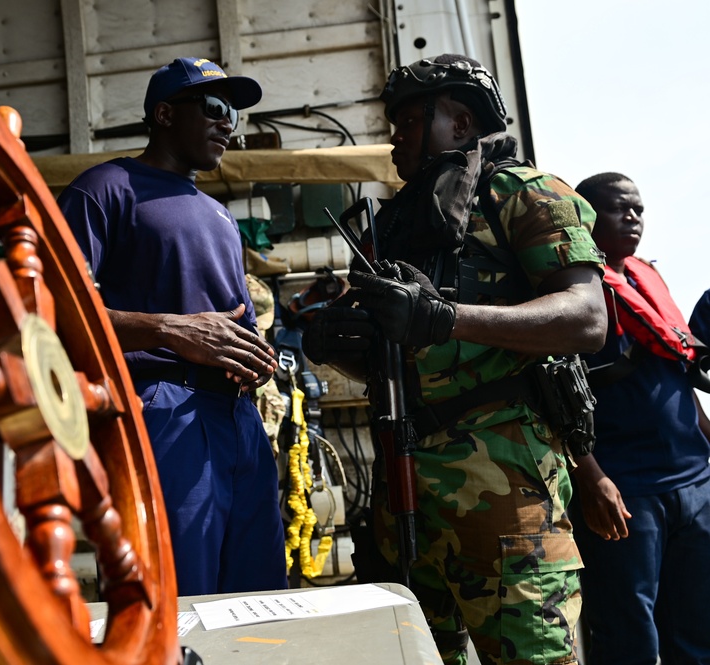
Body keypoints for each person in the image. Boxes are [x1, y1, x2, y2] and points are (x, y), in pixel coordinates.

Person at [303, 54, 607, 665]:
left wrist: (445, 316)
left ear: (461, 124)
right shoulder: (386, 228)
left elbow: (587, 318)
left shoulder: (524, 195)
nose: (394, 138)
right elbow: (397, 359)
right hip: (404, 488)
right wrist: (339, 345)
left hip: (506, 485)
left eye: (409, 121)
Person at [56, 57, 287, 597]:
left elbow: (233, 325)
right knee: (179, 601)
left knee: (261, 598)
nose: (228, 122)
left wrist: (256, 359)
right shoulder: (106, 189)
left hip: (238, 424)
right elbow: (51, 312)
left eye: (234, 112)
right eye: (214, 107)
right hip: (162, 414)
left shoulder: (220, 216)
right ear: (163, 114)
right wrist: (168, 330)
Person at [571, 172, 710, 665]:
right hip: (627, 490)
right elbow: (550, 397)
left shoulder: (647, 280)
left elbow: (676, 372)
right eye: (617, 208)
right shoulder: (573, 293)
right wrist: (592, 480)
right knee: (629, 638)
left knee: (697, 632)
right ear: (585, 218)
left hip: (694, 481)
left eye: (638, 209)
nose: (632, 217)